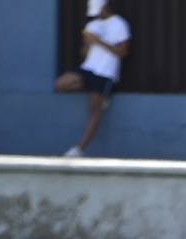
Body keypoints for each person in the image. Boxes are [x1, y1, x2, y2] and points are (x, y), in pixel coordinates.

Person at [54, 0, 130, 157]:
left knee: (94, 110)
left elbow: (123, 52)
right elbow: (84, 54)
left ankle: (79, 149)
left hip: (106, 72)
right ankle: (102, 95)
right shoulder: (92, 25)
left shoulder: (120, 24)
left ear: (105, 6)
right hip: (88, 69)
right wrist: (88, 43)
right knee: (60, 84)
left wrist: (99, 41)